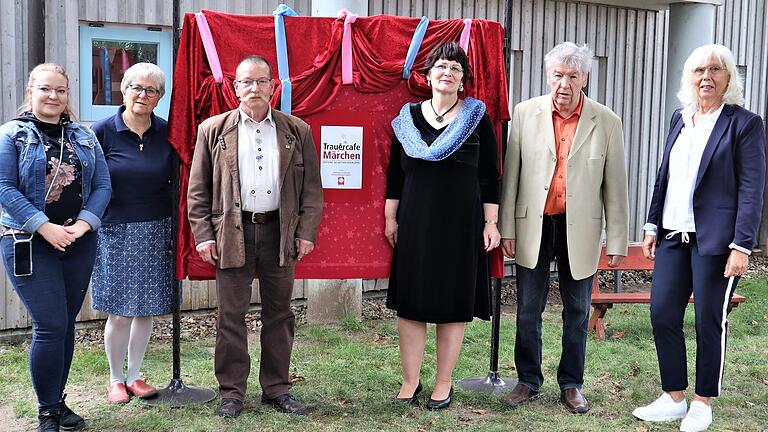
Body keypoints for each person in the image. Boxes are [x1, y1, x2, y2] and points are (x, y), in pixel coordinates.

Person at [632, 44, 765, 432]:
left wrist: (742, 245)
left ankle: (703, 401)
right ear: (689, 77)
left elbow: (752, 188)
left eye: (715, 70)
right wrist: (652, 224)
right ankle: (674, 397)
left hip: (718, 241)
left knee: (709, 319)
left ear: (728, 78)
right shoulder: (681, 117)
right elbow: (665, 176)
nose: (706, 77)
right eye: (699, 70)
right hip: (675, 233)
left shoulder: (744, 123)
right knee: (662, 314)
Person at [187, 54, 323, 417]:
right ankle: (231, 392)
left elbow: (312, 189)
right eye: (247, 82)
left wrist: (305, 232)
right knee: (231, 315)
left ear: (272, 86)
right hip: (232, 231)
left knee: (279, 314)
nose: (255, 88)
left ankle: (276, 388)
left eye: (262, 81)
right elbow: (197, 189)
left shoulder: (297, 130)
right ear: (235, 88)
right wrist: (203, 234)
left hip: (281, 232)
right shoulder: (212, 129)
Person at [498, 42, 629, 414]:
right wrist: (507, 226)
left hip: (581, 230)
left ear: (585, 78)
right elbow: (512, 177)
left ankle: (571, 383)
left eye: (573, 76)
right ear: (548, 75)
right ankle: (527, 380)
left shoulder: (607, 121)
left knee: (576, 309)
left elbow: (615, 186)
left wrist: (617, 238)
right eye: (558, 75)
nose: (564, 84)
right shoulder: (524, 114)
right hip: (534, 226)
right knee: (528, 309)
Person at [385, 41, 501, 410]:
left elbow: (490, 175)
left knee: (452, 303)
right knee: (411, 304)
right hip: (416, 222)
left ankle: (443, 383)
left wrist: (491, 222)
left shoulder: (476, 116)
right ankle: (410, 380)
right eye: (440, 66)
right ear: (427, 74)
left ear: (463, 79)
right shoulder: (407, 119)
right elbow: (394, 175)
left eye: (455, 67)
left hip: (462, 225)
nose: (447, 72)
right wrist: (390, 217)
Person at [0, 63, 111, 431]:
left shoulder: (84, 135)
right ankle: (47, 411)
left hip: (78, 242)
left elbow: (102, 187)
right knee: (49, 324)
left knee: (64, 326)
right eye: (45, 89)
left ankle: (58, 401)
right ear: (30, 91)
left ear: (67, 95)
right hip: (28, 242)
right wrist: (44, 227)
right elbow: (4, 188)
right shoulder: (12, 134)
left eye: (60, 90)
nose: (53, 96)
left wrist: (83, 225)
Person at [90, 63, 175, 404]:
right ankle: (115, 379)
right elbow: (90, 182)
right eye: (136, 87)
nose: (143, 95)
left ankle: (136, 375)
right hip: (115, 230)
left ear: (159, 98)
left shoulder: (166, 133)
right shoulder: (102, 132)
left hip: (157, 228)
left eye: (151, 90)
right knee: (121, 311)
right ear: (123, 90)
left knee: (146, 310)